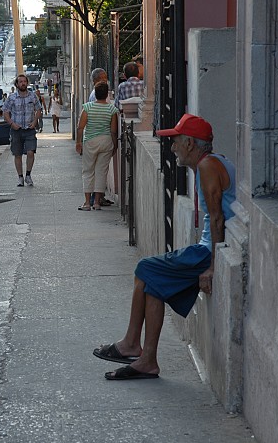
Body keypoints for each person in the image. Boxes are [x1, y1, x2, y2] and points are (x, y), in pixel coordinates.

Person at [92, 113, 236, 380]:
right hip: (208, 247)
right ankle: (144, 357)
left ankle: (133, 345)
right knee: (151, 282)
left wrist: (214, 267)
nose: (172, 149)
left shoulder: (208, 168)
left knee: (145, 268)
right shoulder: (213, 163)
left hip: (208, 251)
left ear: (191, 144)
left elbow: (218, 219)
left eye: (176, 142)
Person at [75, 82, 119, 211]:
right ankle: (97, 203)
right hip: (106, 141)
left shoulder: (87, 107)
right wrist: (115, 145)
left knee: (88, 170)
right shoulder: (112, 109)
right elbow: (113, 130)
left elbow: (80, 127)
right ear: (106, 95)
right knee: (101, 171)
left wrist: (78, 143)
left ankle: (87, 202)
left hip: (90, 141)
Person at [2, 74, 43, 187]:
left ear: (27, 83)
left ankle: (28, 175)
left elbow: (38, 109)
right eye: (20, 82)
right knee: (18, 154)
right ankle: (20, 177)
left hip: (29, 129)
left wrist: (35, 122)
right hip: (16, 130)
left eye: (24, 81)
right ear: (17, 84)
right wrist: (12, 123)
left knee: (30, 152)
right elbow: (5, 112)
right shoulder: (12, 98)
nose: (23, 83)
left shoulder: (32, 96)